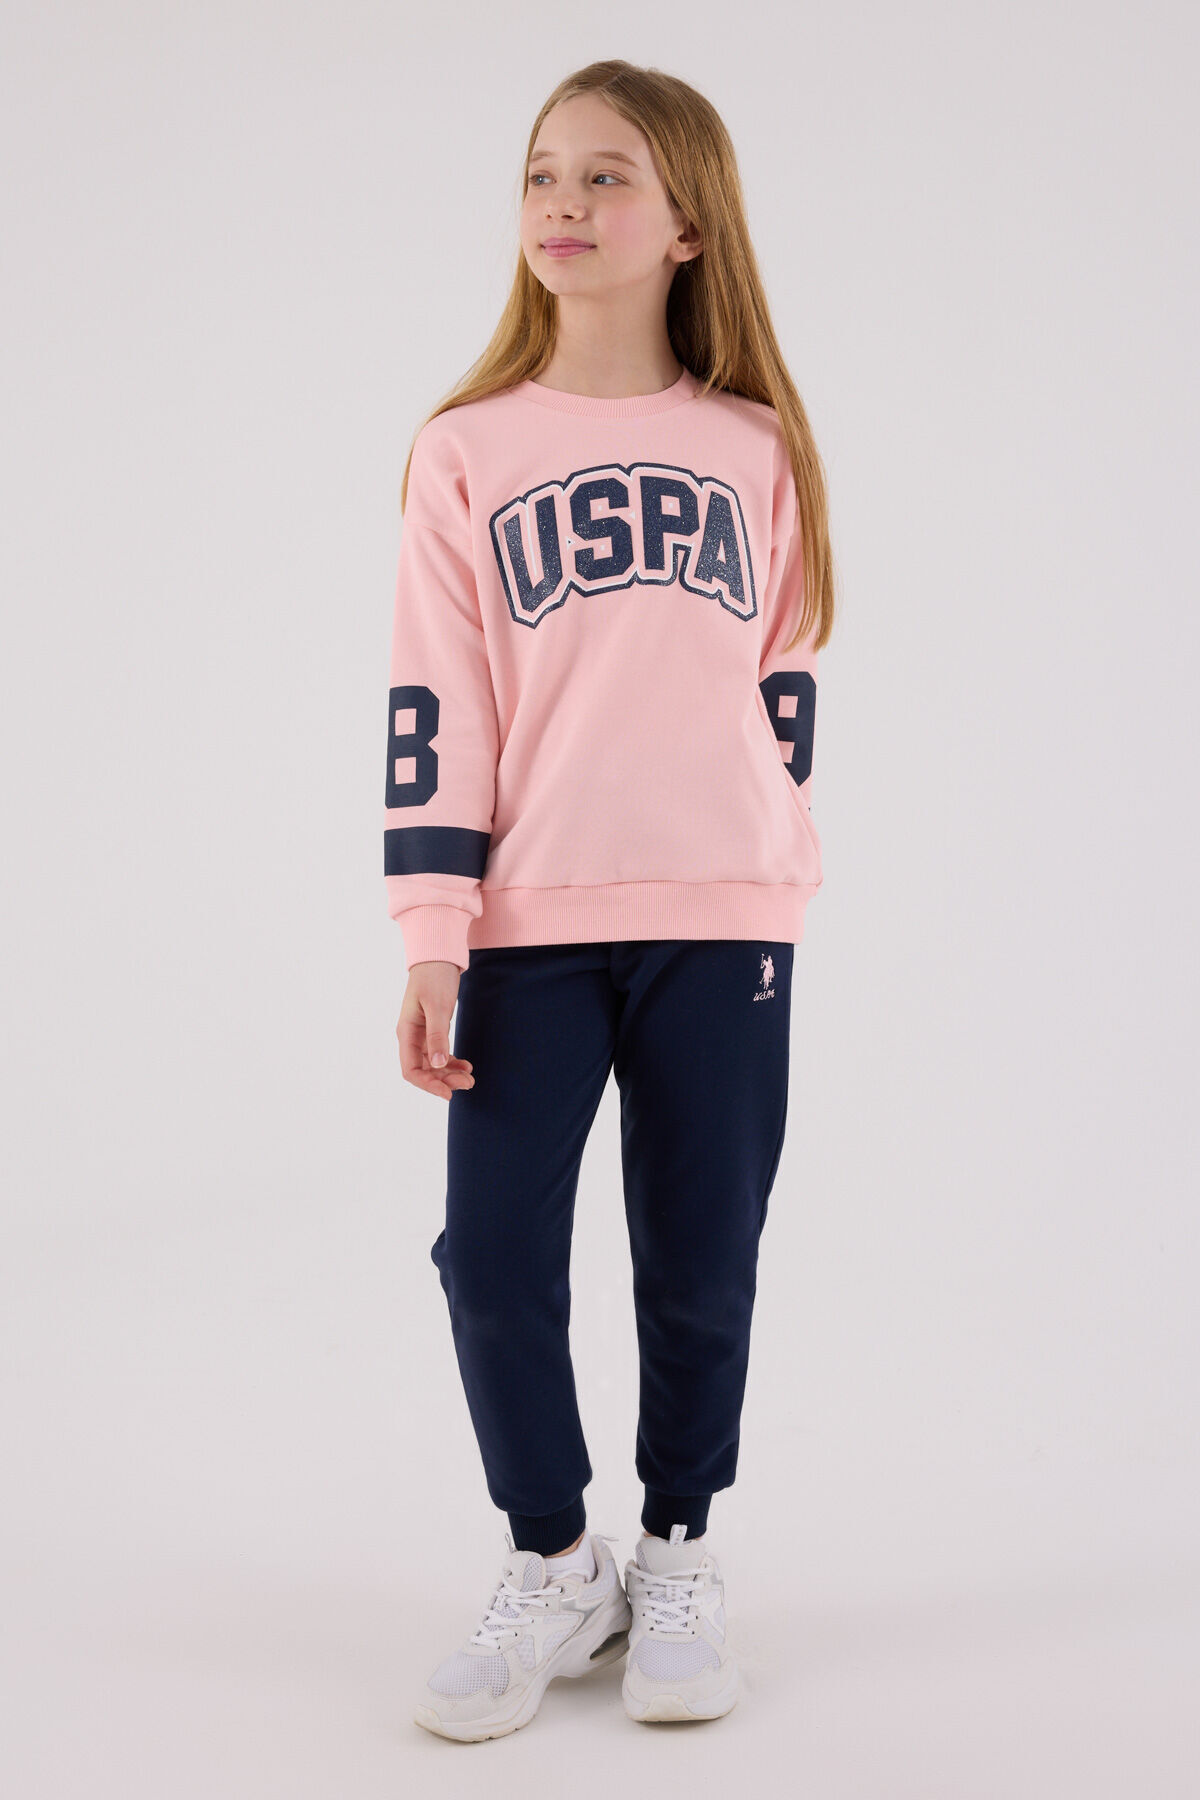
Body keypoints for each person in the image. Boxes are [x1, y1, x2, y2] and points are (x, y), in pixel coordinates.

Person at [382, 58, 836, 1742]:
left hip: (724, 919)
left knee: (701, 1256)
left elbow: (786, 687)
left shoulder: (756, 447)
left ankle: (682, 1550)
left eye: (605, 177)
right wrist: (433, 934)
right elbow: (436, 699)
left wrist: (768, 873)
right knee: (493, 1258)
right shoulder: (466, 451)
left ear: (688, 224)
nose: (562, 205)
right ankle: (555, 1557)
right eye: (540, 175)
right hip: (526, 924)